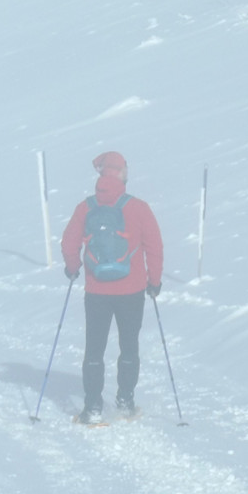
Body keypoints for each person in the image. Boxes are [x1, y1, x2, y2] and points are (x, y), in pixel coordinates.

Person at [61, 151, 163, 424]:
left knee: (94, 348)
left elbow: (69, 243)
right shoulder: (139, 208)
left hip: (97, 292)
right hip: (131, 291)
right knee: (129, 346)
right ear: (119, 172)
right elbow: (154, 247)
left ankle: (93, 408)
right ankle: (125, 402)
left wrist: (73, 267)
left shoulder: (85, 207)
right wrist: (154, 281)